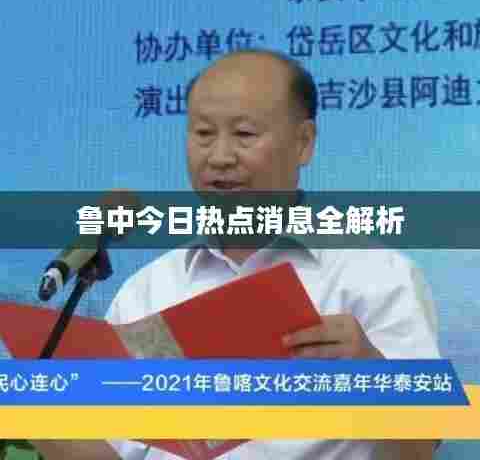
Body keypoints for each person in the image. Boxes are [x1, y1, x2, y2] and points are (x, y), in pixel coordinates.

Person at [32, 49, 441, 459]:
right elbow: (113, 449)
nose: (220, 157)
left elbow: (421, 447)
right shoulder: (148, 290)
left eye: (244, 134)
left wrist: (375, 375)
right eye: (203, 133)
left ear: (303, 143)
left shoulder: (377, 275)